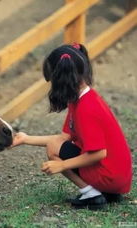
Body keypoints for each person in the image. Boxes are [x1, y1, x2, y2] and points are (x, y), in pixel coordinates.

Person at [11, 44, 132, 210]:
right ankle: (106, 193)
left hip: (110, 176)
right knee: (54, 144)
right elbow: (62, 139)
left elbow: (99, 153)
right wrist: (25, 139)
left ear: (60, 78)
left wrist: (62, 165)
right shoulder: (81, 98)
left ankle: (93, 195)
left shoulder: (86, 108)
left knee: (53, 147)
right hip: (115, 174)